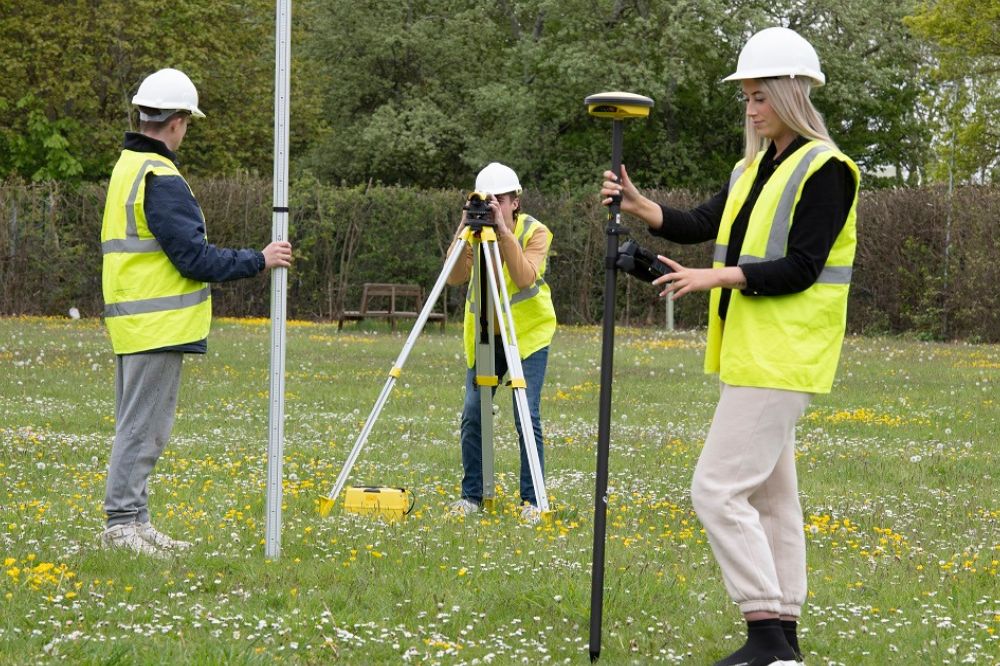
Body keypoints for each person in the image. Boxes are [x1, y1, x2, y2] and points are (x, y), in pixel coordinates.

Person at [601, 27, 859, 666]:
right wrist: (642, 207)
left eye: (760, 96)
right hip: (753, 353)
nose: (750, 108)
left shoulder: (829, 171)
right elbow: (702, 224)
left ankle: (765, 631)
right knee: (772, 501)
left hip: (785, 355)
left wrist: (712, 277)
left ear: (792, 93)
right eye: (746, 97)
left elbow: (801, 266)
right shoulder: (754, 166)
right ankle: (785, 642)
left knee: (715, 490)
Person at [99, 68, 293, 556]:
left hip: (137, 322)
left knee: (141, 426)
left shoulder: (129, 165)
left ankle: (137, 521)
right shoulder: (160, 177)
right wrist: (259, 259)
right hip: (156, 325)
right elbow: (193, 258)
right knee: (143, 429)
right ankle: (121, 524)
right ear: (178, 121)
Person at [445, 162, 557, 524]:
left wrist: (504, 233)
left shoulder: (536, 232)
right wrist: (464, 228)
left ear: (515, 202)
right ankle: (472, 496)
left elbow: (525, 278)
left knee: (527, 416)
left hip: (527, 337)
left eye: (500, 200)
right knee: (473, 413)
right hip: (484, 336)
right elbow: (455, 278)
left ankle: (532, 500)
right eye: (486, 200)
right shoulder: (473, 234)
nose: (493, 206)